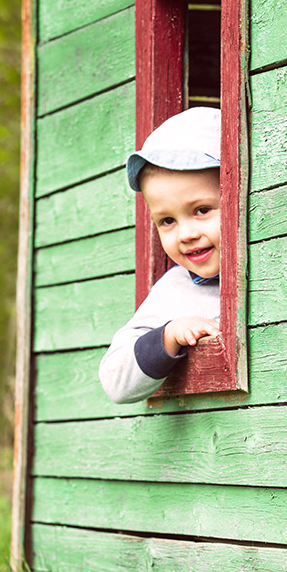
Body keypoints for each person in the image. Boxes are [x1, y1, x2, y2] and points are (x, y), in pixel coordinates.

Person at [99, 107, 221, 403]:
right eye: (167, 220)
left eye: (202, 210)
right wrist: (168, 335)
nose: (186, 234)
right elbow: (115, 380)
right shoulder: (175, 290)